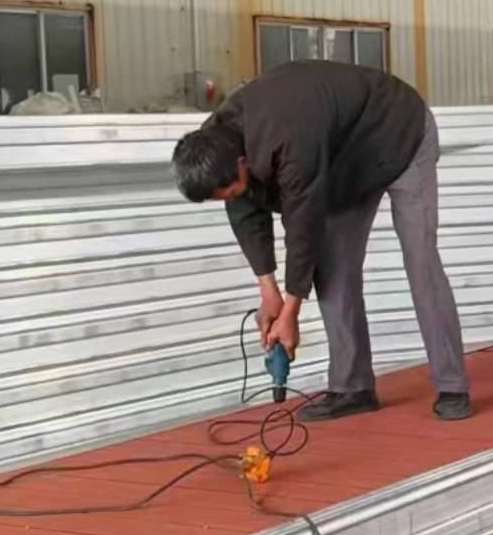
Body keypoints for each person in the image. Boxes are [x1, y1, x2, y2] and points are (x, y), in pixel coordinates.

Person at [172, 62, 471, 421]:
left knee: (421, 262)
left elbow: (303, 224)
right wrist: (269, 292)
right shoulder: (213, 144)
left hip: (399, 132)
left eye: (233, 190)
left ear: (242, 162)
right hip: (344, 162)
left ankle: (452, 385)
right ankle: (353, 388)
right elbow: (245, 212)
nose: (233, 197)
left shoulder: (288, 135)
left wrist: (291, 312)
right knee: (332, 270)